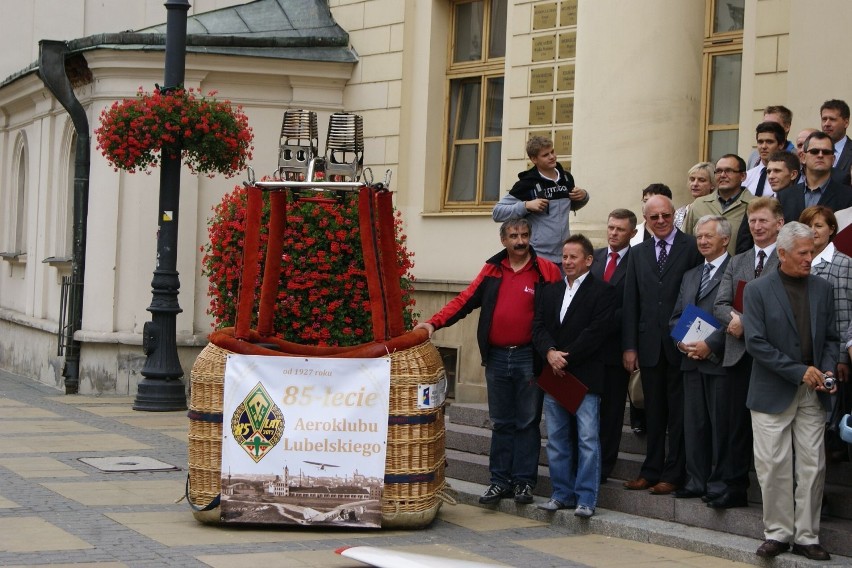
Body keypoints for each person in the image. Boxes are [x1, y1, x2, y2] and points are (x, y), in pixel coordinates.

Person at [414, 218, 562, 505]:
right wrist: (433, 324)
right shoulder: (493, 269)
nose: (520, 241)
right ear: (503, 240)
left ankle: (523, 483)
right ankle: (498, 482)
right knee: (501, 422)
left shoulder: (546, 271)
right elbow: (465, 300)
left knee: (528, 422)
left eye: (525, 235)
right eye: (514, 236)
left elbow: (559, 312)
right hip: (496, 357)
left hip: (528, 357)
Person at [744, 222, 838, 561]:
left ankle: (807, 536)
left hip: (814, 392)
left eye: (811, 251)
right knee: (773, 465)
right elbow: (756, 344)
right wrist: (799, 372)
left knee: (813, 465)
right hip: (773, 390)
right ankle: (778, 533)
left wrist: (826, 369)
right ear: (782, 254)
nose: (810, 258)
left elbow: (831, 338)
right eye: (803, 253)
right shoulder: (756, 290)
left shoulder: (823, 289)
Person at [622, 195, 703, 495]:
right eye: (653, 217)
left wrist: (686, 337)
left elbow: (698, 296)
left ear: (674, 216)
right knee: (653, 413)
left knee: (678, 415)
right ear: (646, 219)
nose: (660, 221)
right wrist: (630, 347)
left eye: (665, 216)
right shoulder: (638, 252)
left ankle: (673, 473)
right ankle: (650, 470)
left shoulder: (692, 247)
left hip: (681, 346)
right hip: (649, 347)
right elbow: (631, 301)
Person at [532, 235, 616, 518]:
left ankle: (586, 499)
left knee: (588, 440)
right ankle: (561, 494)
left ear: (588, 260)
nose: (566, 262)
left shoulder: (603, 292)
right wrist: (550, 354)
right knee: (556, 440)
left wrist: (564, 358)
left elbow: (596, 332)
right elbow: (539, 327)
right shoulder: (550, 291)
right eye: (564, 257)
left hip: (584, 376)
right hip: (554, 375)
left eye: (573, 257)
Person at [712, 197, 784, 509]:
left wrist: (747, 325)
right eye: (753, 221)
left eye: (763, 221)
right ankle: (734, 486)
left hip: (770, 359)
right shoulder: (738, 260)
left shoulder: (786, 259)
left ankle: (776, 497)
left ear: (779, 223)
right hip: (737, 356)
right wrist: (734, 321)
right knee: (734, 426)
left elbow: (784, 307)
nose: (756, 226)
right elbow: (720, 304)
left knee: (771, 432)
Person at [669, 215, 730, 501]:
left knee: (720, 426)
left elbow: (737, 316)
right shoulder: (691, 274)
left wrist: (710, 344)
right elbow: (676, 316)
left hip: (720, 362)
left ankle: (718, 484)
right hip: (690, 361)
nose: (702, 241)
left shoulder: (736, 269)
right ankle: (695, 481)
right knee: (693, 425)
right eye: (700, 236)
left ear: (725, 239)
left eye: (709, 236)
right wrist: (682, 344)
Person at [799, 205, 852, 461]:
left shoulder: (844, 264)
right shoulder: (797, 265)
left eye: (819, 225)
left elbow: (846, 311)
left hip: (831, 356)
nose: (813, 231)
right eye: (808, 225)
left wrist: (842, 355)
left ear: (832, 229)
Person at [590, 208, 638, 481]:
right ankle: (584, 461)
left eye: (620, 229)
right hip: (588, 351)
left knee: (611, 413)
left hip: (617, 350)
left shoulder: (637, 260)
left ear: (632, 233)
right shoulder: (593, 257)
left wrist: (631, 347)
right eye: (610, 227)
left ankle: (604, 467)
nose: (613, 233)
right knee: (587, 411)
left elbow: (634, 308)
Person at [493, 136, 589, 264]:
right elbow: (497, 213)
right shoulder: (527, 184)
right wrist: (526, 205)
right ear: (534, 159)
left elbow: (571, 206)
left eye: (552, 152)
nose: (552, 157)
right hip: (538, 256)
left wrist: (583, 196)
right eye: (545, 155)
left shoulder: (566, 178)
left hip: (564, 255)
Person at [682, 154, 754, 255]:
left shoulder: (755, 206)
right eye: (719, 171)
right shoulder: (699, 205)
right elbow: (685, 243)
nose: (723, 175)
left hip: (738, 269)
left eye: (728, 171)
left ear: (743, 176)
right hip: (702, 269)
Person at [778, 131, 852, 224]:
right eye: (814, 151)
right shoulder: (785, 196)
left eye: (826, 152)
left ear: (833, 159)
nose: (820, 155)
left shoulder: (848, 196)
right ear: (803, 157)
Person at [735, 151, 800, 254]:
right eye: (769, 172)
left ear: (793, 174)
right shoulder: (758, 204)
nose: (771, 176)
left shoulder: (802, 204)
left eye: (777, 171)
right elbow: (743, 245)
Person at [744, 121, 787, 199]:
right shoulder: (747, 176)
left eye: (769, 142)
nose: (763, 146)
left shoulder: (788, 176)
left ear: (781, 145)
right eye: (760, 142)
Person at [674, 162, 715, 230]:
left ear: (712, 184)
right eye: (692, 179)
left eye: (701, 180)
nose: (695, 184)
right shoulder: (681, 212)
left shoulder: (715, 210)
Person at [820, 99, 851, 186]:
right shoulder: (813, 151)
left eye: (832, 119)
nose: (827, 124)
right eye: (824, 119)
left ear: (846, 122)